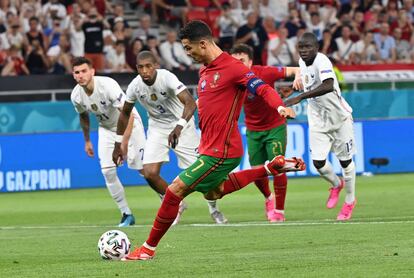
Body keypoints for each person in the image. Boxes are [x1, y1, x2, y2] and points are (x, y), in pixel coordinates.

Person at [113, 20, 305, 261]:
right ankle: (270, 167)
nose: (188, 54)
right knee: (214, 192)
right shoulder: (204, 69)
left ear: (202, 44)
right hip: (208, 146)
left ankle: (147, 249)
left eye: (188, 48)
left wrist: (279, 107)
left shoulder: (234, 68)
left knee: (174, 191)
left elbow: (262, 88)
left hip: (223, 149)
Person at [122, 50, 228, 224]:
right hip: (157, 128)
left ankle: (214, 209)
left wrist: (178, 127)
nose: (145, 71)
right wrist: (120, 142)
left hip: (182, 126)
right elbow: (125, 112)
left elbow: (190, 102)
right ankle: (176, 204)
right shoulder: (135, 86)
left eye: (148, 66)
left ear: (156, 65)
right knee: (149, 173)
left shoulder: (167, 78)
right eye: (141, 67)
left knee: (203, 176)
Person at [284, 32, 357, 221]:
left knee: (346, 162)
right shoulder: (302, 62)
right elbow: (306, 79)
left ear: (316, 48)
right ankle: (335, 184)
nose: (304, 51)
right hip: (318, 120)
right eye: (301, 47)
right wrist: (296, 83)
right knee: (318, 163)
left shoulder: (322, 61)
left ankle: (349, 201)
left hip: (339, 118)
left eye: (308, 47)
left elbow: (328, 85)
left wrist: (299, 97)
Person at [230, 43, 302, 222]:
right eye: (235, 60)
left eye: (242, 60)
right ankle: (269, 198)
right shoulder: (231, 78)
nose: (238, 63)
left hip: (274, 126)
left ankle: (279, 210)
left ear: (251, 62)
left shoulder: (265, 72)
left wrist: (298, 77)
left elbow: (294, 69)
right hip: (253, 130)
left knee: (277, 166)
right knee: (257, 171)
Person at [70, 57, 145, 227]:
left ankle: (167, 201)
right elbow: (83, 116)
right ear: (73, 75)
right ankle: (126, 214)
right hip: (106, 129)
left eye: (83, 71)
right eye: (77, 72)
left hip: (130, 125)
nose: (80, 75)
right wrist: (87, 140)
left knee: (144, 170)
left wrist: (123, 143)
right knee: (107, 171)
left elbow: (128, 114)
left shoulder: (107, 85)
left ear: (92, 71)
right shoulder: (76, 95)